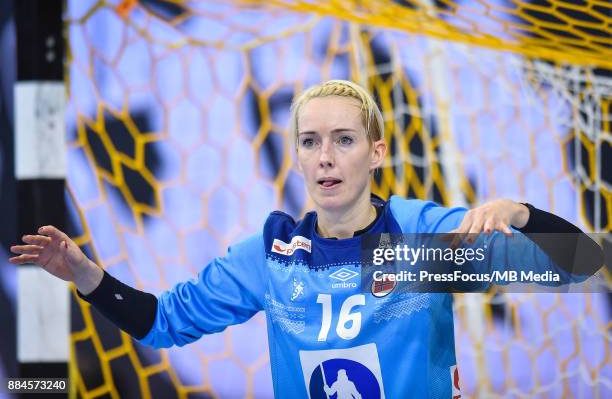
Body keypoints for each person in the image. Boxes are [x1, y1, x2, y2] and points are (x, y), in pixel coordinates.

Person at [9, 80, 602, 398]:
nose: (326, 158)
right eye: (311, 142)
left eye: (344, 140)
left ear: (376, 154)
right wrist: (85, 275)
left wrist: (522, 213)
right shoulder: (269, 255)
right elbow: (161, 323)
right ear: (294, 156)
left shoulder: (421, 242)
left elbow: (583, 264)